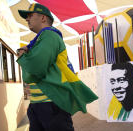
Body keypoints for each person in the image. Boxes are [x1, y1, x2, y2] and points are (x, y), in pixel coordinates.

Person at [16, 3, 98, 131]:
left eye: (30, 15)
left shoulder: (49, 35)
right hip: (40, 103)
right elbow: (29, 75)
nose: (27, 19)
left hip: (50, 103)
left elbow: (35, 69)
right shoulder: (39, 40)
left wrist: (22, 56)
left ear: (43, 18)